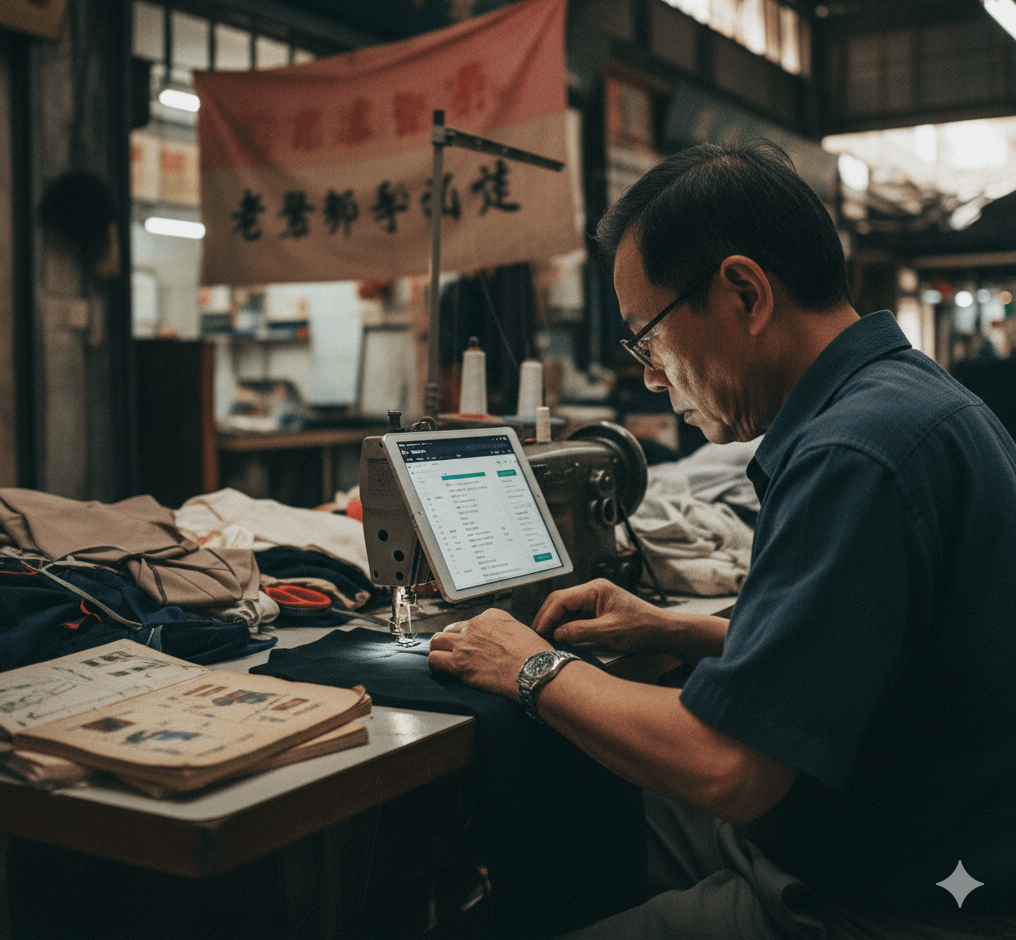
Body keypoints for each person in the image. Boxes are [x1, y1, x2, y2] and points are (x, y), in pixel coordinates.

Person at [427, 139, 1016, 940]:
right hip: (926, 840)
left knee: (550, 829)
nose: (651, 377)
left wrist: (526, 664)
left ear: (744, 293)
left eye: (649, 337)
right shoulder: (909, 400)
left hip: (881, 898)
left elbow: (729, 767)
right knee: (587, 804)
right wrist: (673, 628)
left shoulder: (852, 453)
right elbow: (864, 642)